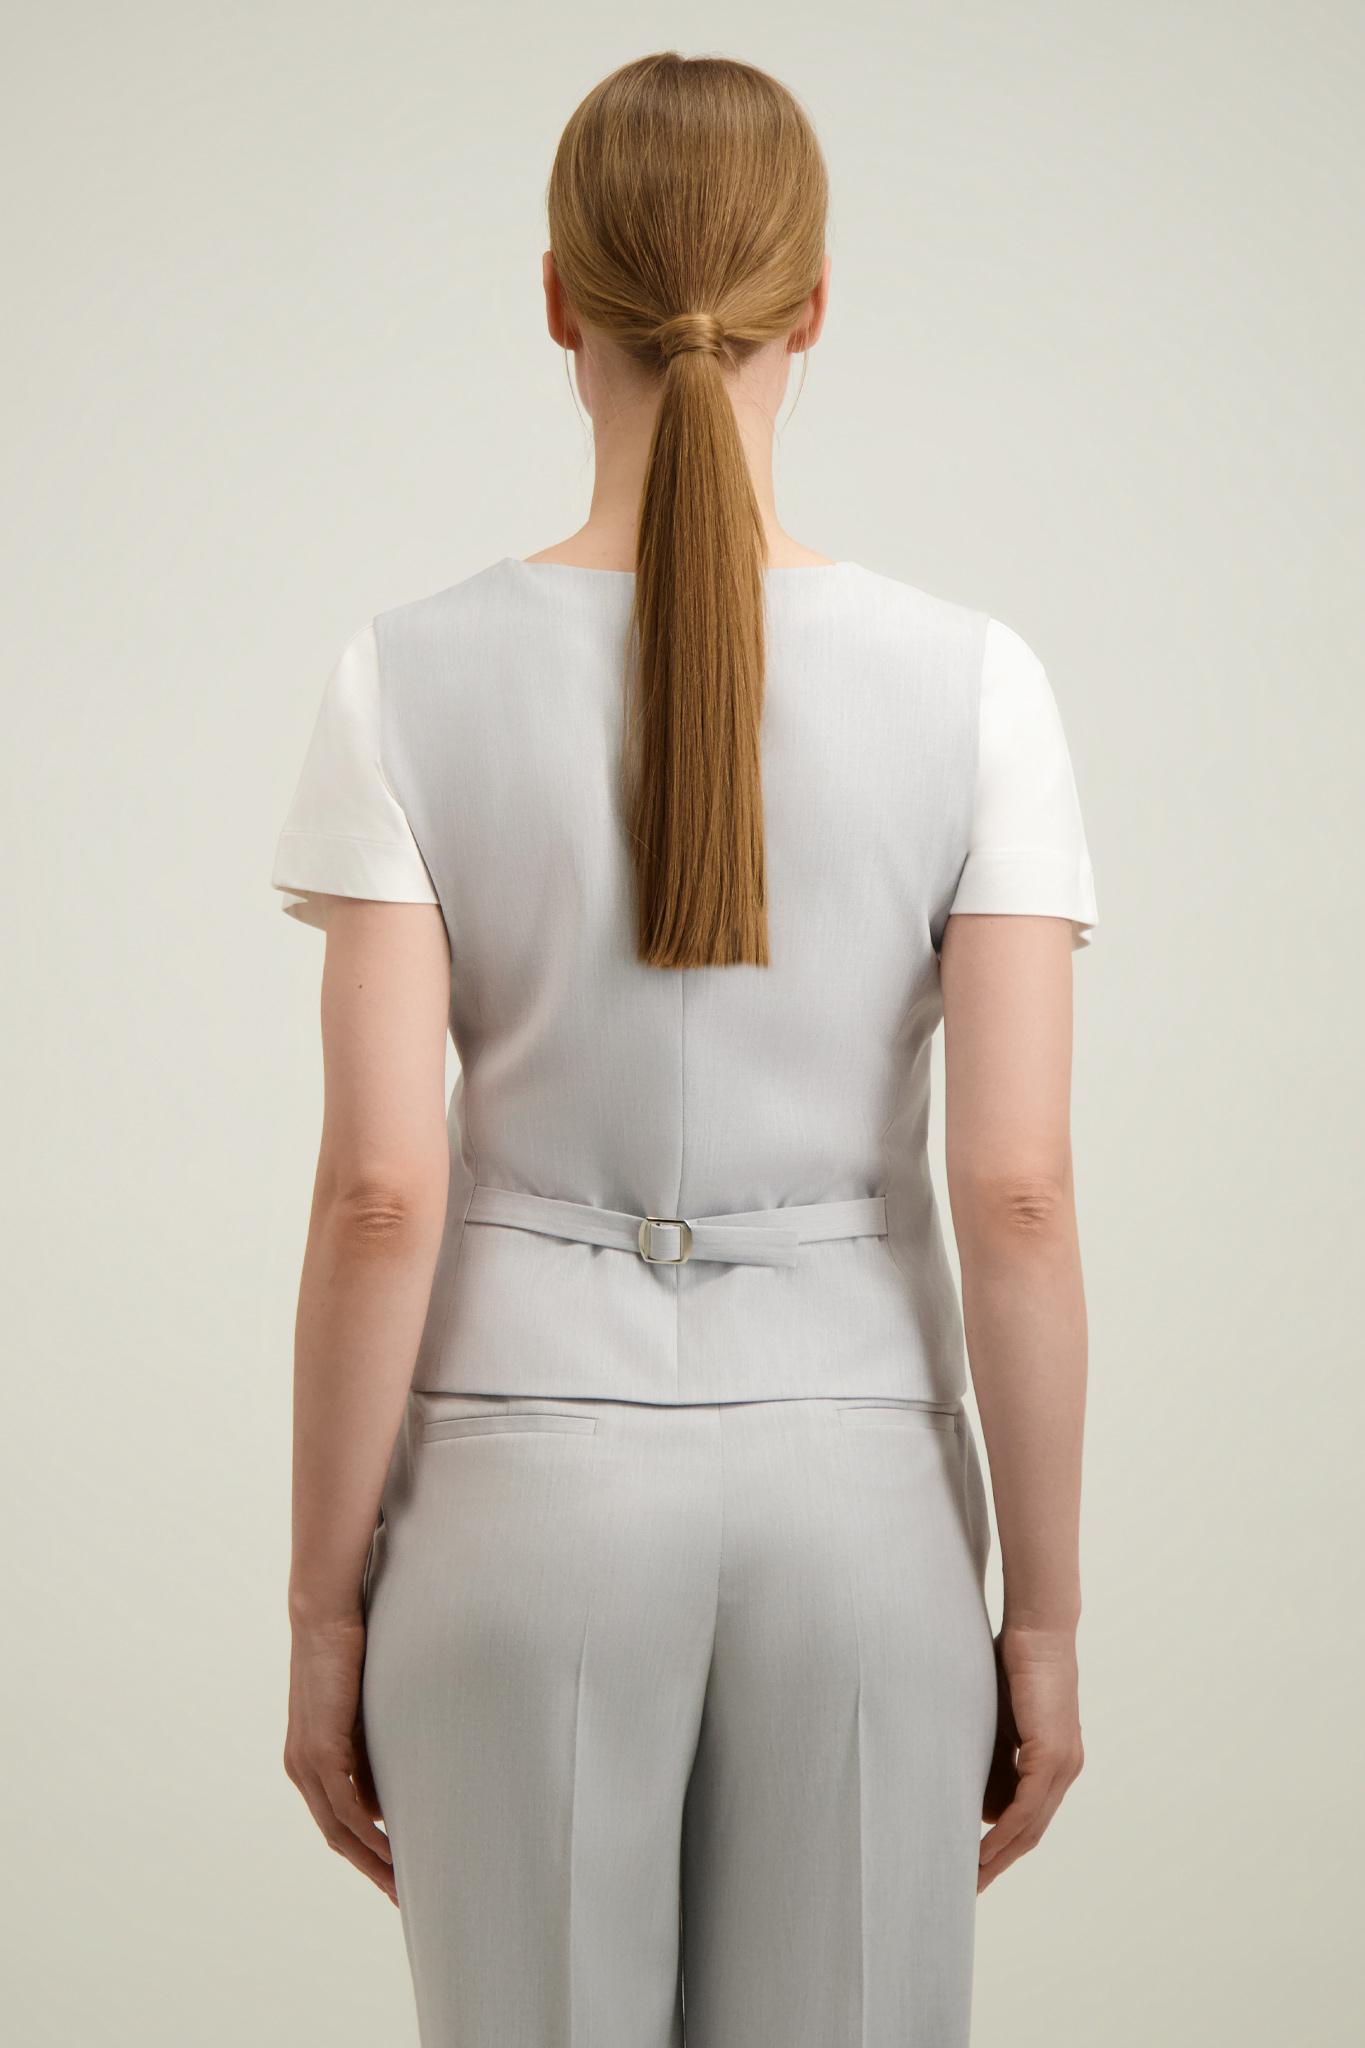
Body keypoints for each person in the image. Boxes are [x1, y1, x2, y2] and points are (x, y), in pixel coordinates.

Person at [272, 49, 1094, 2048]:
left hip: (513, 1497)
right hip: (858, 1498)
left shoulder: (402, 678)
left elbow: (380, 1190)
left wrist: (318, 1610)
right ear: (812, 304)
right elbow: (1014, 1191)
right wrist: (1046, 1621)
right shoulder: (977, 688)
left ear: (560, 300)